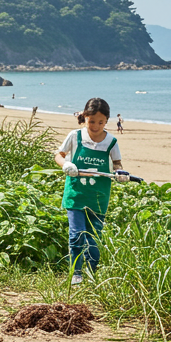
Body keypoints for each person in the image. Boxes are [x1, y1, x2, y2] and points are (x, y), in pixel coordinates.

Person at [53, 97, 127, 286]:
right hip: (76, 194)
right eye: (91, 121)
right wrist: (66, 165)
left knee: (94, 237)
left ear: (106, 121)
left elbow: (117, 164)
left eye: (101, 122)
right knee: (76, 235)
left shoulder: (111, 142)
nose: (95, 125)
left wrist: (119, 173)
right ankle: (75, 273)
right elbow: (58, 155)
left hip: (98, 197)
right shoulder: (75, 136)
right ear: (84, 117)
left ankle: (92, 272)